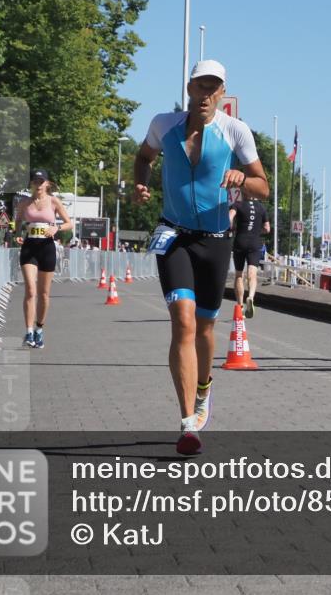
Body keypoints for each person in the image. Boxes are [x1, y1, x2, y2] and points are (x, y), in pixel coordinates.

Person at [134, 59, 269, 456]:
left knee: (207, 328)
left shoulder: (235, 131)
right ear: (189, 89)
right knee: (184, 321)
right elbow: (143, 157)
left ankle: (204, 387)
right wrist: (140, 184)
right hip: (174, 235)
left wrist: (242, 178)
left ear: (223, 94)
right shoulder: (163, 125)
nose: (206, 94)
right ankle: (187, 422)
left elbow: (264, 186)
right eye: (200, 86)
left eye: (214, 88)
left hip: (214, 240)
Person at [14, 169, 73, 349]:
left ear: (47, 184)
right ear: (31, 183)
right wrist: (17, 233)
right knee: (31, 290)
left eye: (41, 181)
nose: (38, 184)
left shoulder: (54, 201)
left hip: (47, 248)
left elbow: (70, 223)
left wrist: (57, 228)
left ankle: (39, 329)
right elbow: (17, 221)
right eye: (35, 181)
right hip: (29, 247)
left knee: (44, 294)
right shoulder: (24, 202)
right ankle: (29, 331)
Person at [229, 190, 270, 318]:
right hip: (255, 243)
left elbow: (230, 216)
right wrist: (258, 230)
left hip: (240, 242)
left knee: (239, 274)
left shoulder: (238, 204)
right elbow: (267, 228)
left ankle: (240, 305)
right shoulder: (261, 208)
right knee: (252, 274)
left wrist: (231, 228)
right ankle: (251, 297)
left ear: (244, 194)